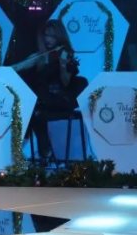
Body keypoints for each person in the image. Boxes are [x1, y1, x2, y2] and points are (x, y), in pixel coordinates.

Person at [10, 20, 87, 165]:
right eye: (46, 35)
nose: (48, 39)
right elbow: (21, 66)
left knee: (34, 113)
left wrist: (63, 66)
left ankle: (27, 152)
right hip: (43, 99)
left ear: (59, 37)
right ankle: (41, 151)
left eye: (52, 36)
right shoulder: (42, 55)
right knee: (28, 111)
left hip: (58, 99)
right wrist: (4, 70)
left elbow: (66, 82)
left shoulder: (65, 53)